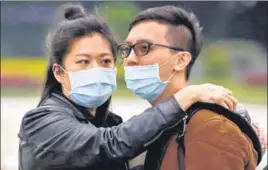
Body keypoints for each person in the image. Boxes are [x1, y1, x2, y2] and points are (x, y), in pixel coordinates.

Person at [18, 4, 239, 170]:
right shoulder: (42, 123)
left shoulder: (112, 125)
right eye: (83, 61)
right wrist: (184, 97)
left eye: (105, 61)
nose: (131, 59)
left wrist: (241, 127)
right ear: (59, 73)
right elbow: (108, 145)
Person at [119, 5, 263, 170]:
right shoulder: (158, 126)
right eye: (127, 49)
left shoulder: (209, 127)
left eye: (144, 48)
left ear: (181, 60)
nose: (129, 59)